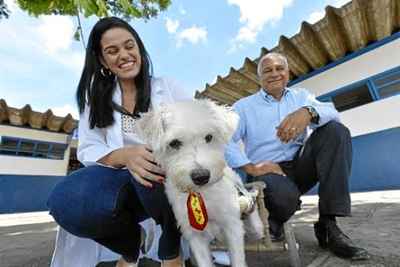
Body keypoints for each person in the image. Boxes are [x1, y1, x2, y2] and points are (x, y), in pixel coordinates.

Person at [47, 17, 191, 267]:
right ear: (103, 61)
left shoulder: (167, 87)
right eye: (112, 51)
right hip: (117, 180)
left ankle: (171, 248)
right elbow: (89, 148)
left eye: (129, 46)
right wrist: (126, 155)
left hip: (164, 181)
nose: (124, 55)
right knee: (65, 200)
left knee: (153, 163)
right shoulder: (95, 100)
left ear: (139, 48)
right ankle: (130, 245)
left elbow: (197, 128)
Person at [225, 52, 369, 260]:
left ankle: (328, 224)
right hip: (267, 173)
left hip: (300, 165)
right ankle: (276, 215)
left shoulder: (301, 96)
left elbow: (332, 112)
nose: (274, 73)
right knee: (285, 200)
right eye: (267, 70)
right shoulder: (243, 107)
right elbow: (223, 139)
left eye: (279, 68)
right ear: (260, 78)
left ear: (287, 73)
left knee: (336, 131)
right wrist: (251, 167)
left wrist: (308, 112)